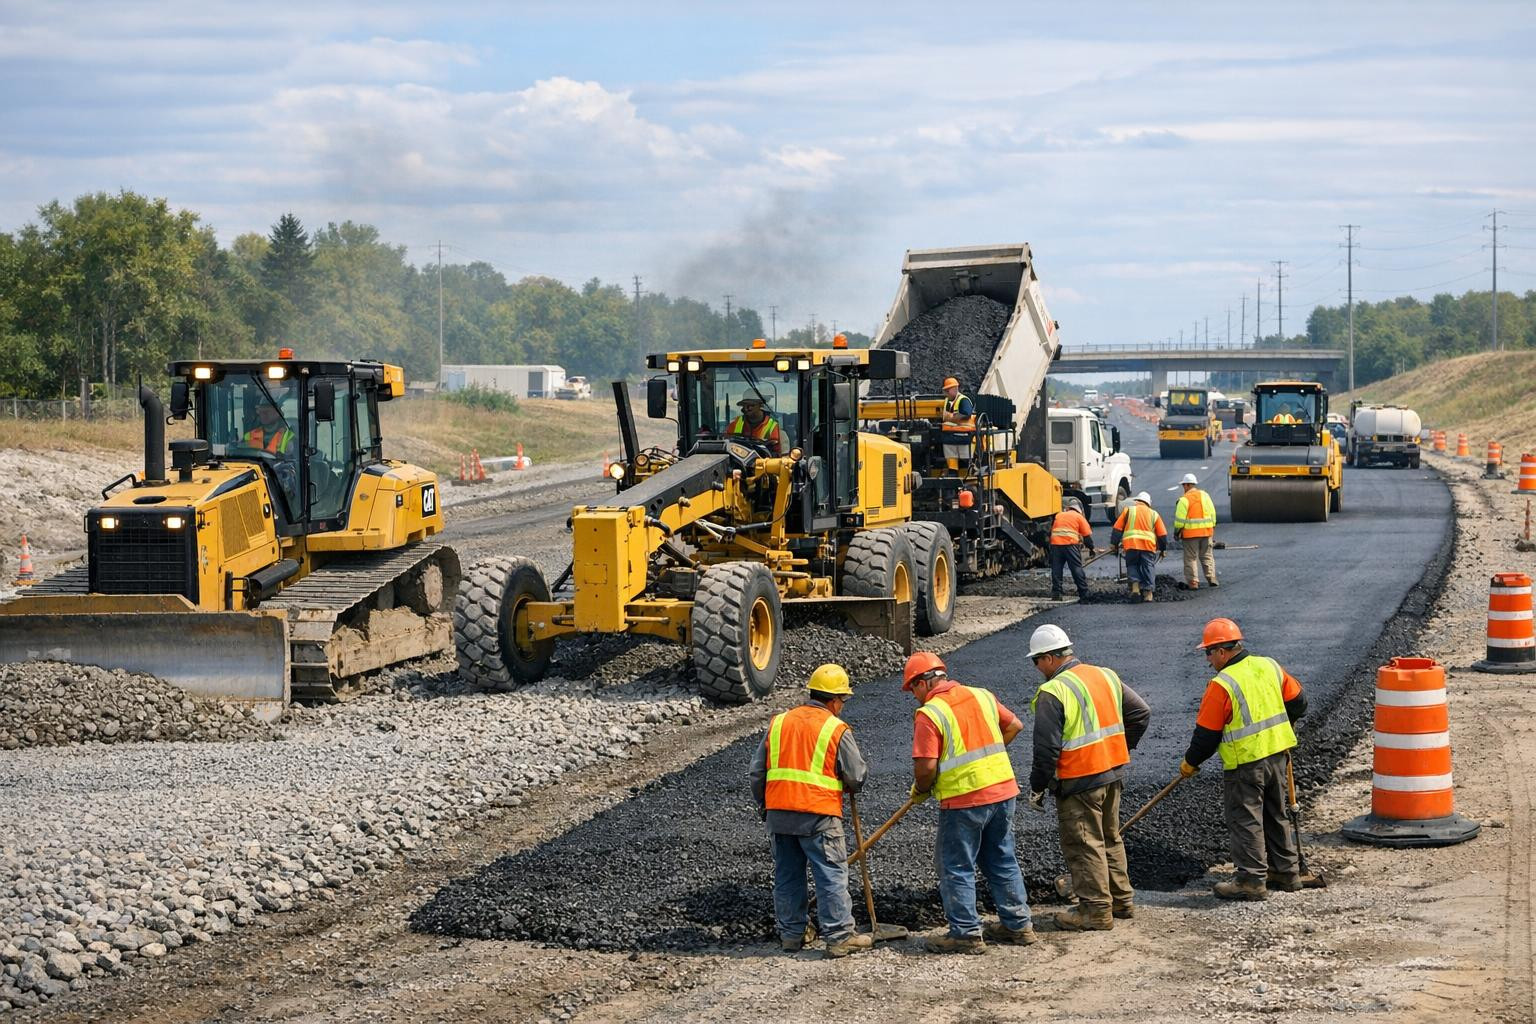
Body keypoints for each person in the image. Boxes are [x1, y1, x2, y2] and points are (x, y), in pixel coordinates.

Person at [904, 651, 1035, 954]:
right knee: (1001, 857)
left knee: (956, 865)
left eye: (912, 688)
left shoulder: (930, 713)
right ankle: (1019, 926)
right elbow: (1015, 725)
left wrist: (923, 788)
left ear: (923, 682)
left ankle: (965, 933)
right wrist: (988, 760)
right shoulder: (981, 695)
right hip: (1003, 791)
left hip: (964, 799)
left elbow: (925, 767)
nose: (913, 696)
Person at [1026, 624, 1151, 930]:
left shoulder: (1053, 691)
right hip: (1111, 774)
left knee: (1084, 843)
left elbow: (1046, 750)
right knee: (1110, 837)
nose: (1037, 668)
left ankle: (1095, 911)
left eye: (1036, 661)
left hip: (1078, 780)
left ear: (1049, 658)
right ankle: (1121, 902)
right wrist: (1118, 747)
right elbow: (1140, 713)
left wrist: (1038, 787)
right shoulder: (1104, 674)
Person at [749, 663, 872, 957]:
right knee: (830, 873)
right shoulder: (834, 728)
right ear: (833, 700)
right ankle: (840, 936)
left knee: (787, 876)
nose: (842, 706)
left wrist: (766, 807)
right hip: (818, 814)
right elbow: (856, 776)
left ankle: (792, 934)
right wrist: (850, 782)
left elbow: (756, 773)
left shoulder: (779, 723)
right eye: (842, 700)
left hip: (779, 815)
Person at [1180, 618, 1309, 900]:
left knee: (1245, 818)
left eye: (1208, 653)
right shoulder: (1269, 666)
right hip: (1277, 756)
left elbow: (1206, 735)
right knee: (1276, 813)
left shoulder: (1222, 684)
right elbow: (1300, 703)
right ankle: (1286, 873)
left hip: (1246, 764)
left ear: (1222, 652)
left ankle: (1251, 880)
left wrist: (1191, 762)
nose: (1208, 660)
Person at [1110, 491, 1167, 602]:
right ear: (1148, 503)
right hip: (1147, 546)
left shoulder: (1128, 510)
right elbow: (1162, 534)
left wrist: (1114, 544)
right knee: (1148, 567)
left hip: (1131, 544)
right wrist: (1163, 549)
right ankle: (1148, 593)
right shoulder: (1154, 514)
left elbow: (1117, 529)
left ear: (1137, 501)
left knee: (1132, 565)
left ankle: (1135, 589)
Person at [1173, 473, 1219, 590]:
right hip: (1206, 533)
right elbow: (1213, 513)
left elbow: (1179, 521)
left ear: (1188, 485)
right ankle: (1211, 578)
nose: (1183, 487)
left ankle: (1193, 582)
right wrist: (1212, 527)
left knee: (1191, 558)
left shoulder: (1183, 500)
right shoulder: (1205, 496)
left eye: (1184, 485)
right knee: (1207, 556)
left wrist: (1176, 532)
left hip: (1190, 535)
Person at [1048, 496, 1096, 601]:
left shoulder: (1059, 515)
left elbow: (1053, 530)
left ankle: (1056, 593)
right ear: (1079, 510)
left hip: (1055, 544)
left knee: (1057, 569)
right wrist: (1092, 549)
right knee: (1076, 568)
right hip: (1069, 544)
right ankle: (1083, 592)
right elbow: (1087, 537)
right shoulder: (1079, 517)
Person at [939, 377, 976, 472]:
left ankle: (968, 472)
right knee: (951, 457)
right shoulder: (947, 401)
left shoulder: (963, 400)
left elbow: (966, 414)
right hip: (949, 436)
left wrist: (951, 417)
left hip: (964, 436)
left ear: (954, 389)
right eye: (945, 391)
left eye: (947, 391)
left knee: (965, 458)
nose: (946, 393)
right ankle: (952, 472)